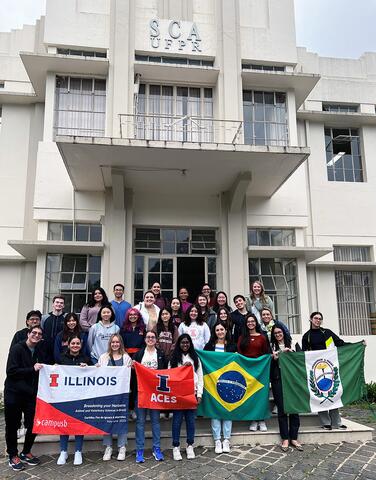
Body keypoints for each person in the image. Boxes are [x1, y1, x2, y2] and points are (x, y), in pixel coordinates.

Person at [4, 326, 44, 471]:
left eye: (39, 334)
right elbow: (11, 371)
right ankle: (12, 455)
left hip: (30, 395)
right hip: (13, 393)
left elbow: (44, 367)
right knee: (12, 425)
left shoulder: (39, 351)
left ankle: (26, 452)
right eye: (34, 333)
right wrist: (31, 369)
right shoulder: (17, 348)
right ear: (28, 334)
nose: (36, 335)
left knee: (33, 424)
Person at [302, 311, 348, 430]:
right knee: (320, 395)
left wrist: (357, 345)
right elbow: (304, 354)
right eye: (316, 318)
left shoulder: (327, 332)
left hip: (330, 368)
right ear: (311, 319)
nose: (318, 320)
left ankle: (337, 422)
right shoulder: (306, 336)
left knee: (333, 393)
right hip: (315, 369)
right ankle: (325, 422)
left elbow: (340, 343)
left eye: (320, 319)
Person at [56, 335, 91, 466]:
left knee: (79, 424)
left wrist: (87, 367)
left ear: (81, 346)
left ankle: (78, 451)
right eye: (73, 343)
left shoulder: (85, 359)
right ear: (68, 344)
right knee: (64, 424)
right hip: (65, 397)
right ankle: (63, 451)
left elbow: (93, 373)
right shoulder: (61, 358)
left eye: (78, 343)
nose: (75, 345)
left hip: (80, 397)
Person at [133, 330, 166, 463]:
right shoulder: (139, 354)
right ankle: (139, 449)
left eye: (153, 337)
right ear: (145, 339)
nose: (150, 339)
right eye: (148, 337)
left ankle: (156, 448)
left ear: (156, 339)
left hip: (155, 394)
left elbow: (166, 372)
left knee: (155, 422)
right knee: (140, 422)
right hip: (141, 393)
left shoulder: (161, 354)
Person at [98, 334, 132, 461]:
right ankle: (108, 446)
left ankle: (122, 446)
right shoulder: (103, 357)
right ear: (110, 344)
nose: (115, 344)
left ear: (120, 343)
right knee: (107, 420)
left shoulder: (126, 357)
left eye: (117, 342)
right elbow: (98, 373)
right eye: (113, 342)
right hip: (107, 394)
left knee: (121, 419)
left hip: (122, 395)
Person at [169, 334, 203, 460]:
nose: (185, 345)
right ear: (179, 344)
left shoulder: (195, 358)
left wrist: (199, 394)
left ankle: (190, 445)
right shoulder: (173, 358)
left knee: (190, 421)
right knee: (176, 421)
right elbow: (169, 376)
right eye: (182, 343)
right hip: (178, 394)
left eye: (187, 343)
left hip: (191, 393)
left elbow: (200, 376)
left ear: (190, 344)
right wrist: (182, 368)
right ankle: (176, 446)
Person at [204, 322, 237, 454]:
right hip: (213, 382)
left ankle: (226, 440)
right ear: (214, 332)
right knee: (215, 411)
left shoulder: (232, 345)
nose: (220, 332)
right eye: (217, 330)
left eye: (221, 329)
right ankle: (217, 440)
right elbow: (204, 357)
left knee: (228, 409)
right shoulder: (210, 346)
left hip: (228, 382)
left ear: (225, 330)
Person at [270, 324, 303, 451]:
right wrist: (277, 355)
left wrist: (292, 353)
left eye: (279, 332)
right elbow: (270, 360)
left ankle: (294, 438)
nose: (278, 334)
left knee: (294, 408)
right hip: (278, 380)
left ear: (284, 332)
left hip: (293, 380)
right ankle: (284, 438)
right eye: (275, 333)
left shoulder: (294, 343)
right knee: (282, 409)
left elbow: (301, 358)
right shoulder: (272, 346)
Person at [237, 313, 270, 432]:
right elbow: (239, 354)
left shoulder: (262, 337)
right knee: (250, 396)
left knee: (260, 395)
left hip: (260, 370)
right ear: (246, 324)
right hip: (246, 370)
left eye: (252, 321)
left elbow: (266, 353)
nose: (250, 323)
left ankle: (261, 420)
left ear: (256, 322)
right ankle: (253, 419)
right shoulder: (242, 338)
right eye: (248, 322)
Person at [121, 308, 146, 420]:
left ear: (138, 316)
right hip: (126, 358)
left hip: (139, 358)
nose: (132, 316)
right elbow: (120, 344)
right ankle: (128, 409)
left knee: (137, 385)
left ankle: (137, 409)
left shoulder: (142, 328)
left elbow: (145, 344)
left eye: (135, 314)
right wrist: (127, 357)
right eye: (130, 315)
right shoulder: (124, 329)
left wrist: (137, 357)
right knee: (128, 385)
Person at [41, 295, 66, 363]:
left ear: (63, 305)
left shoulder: (66, 317)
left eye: (61, 303)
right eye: (57, 302)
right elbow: (41, 332)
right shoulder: (44, 318)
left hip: (62, 349)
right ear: (53, 304)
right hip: (47, 349)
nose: (59, 304)